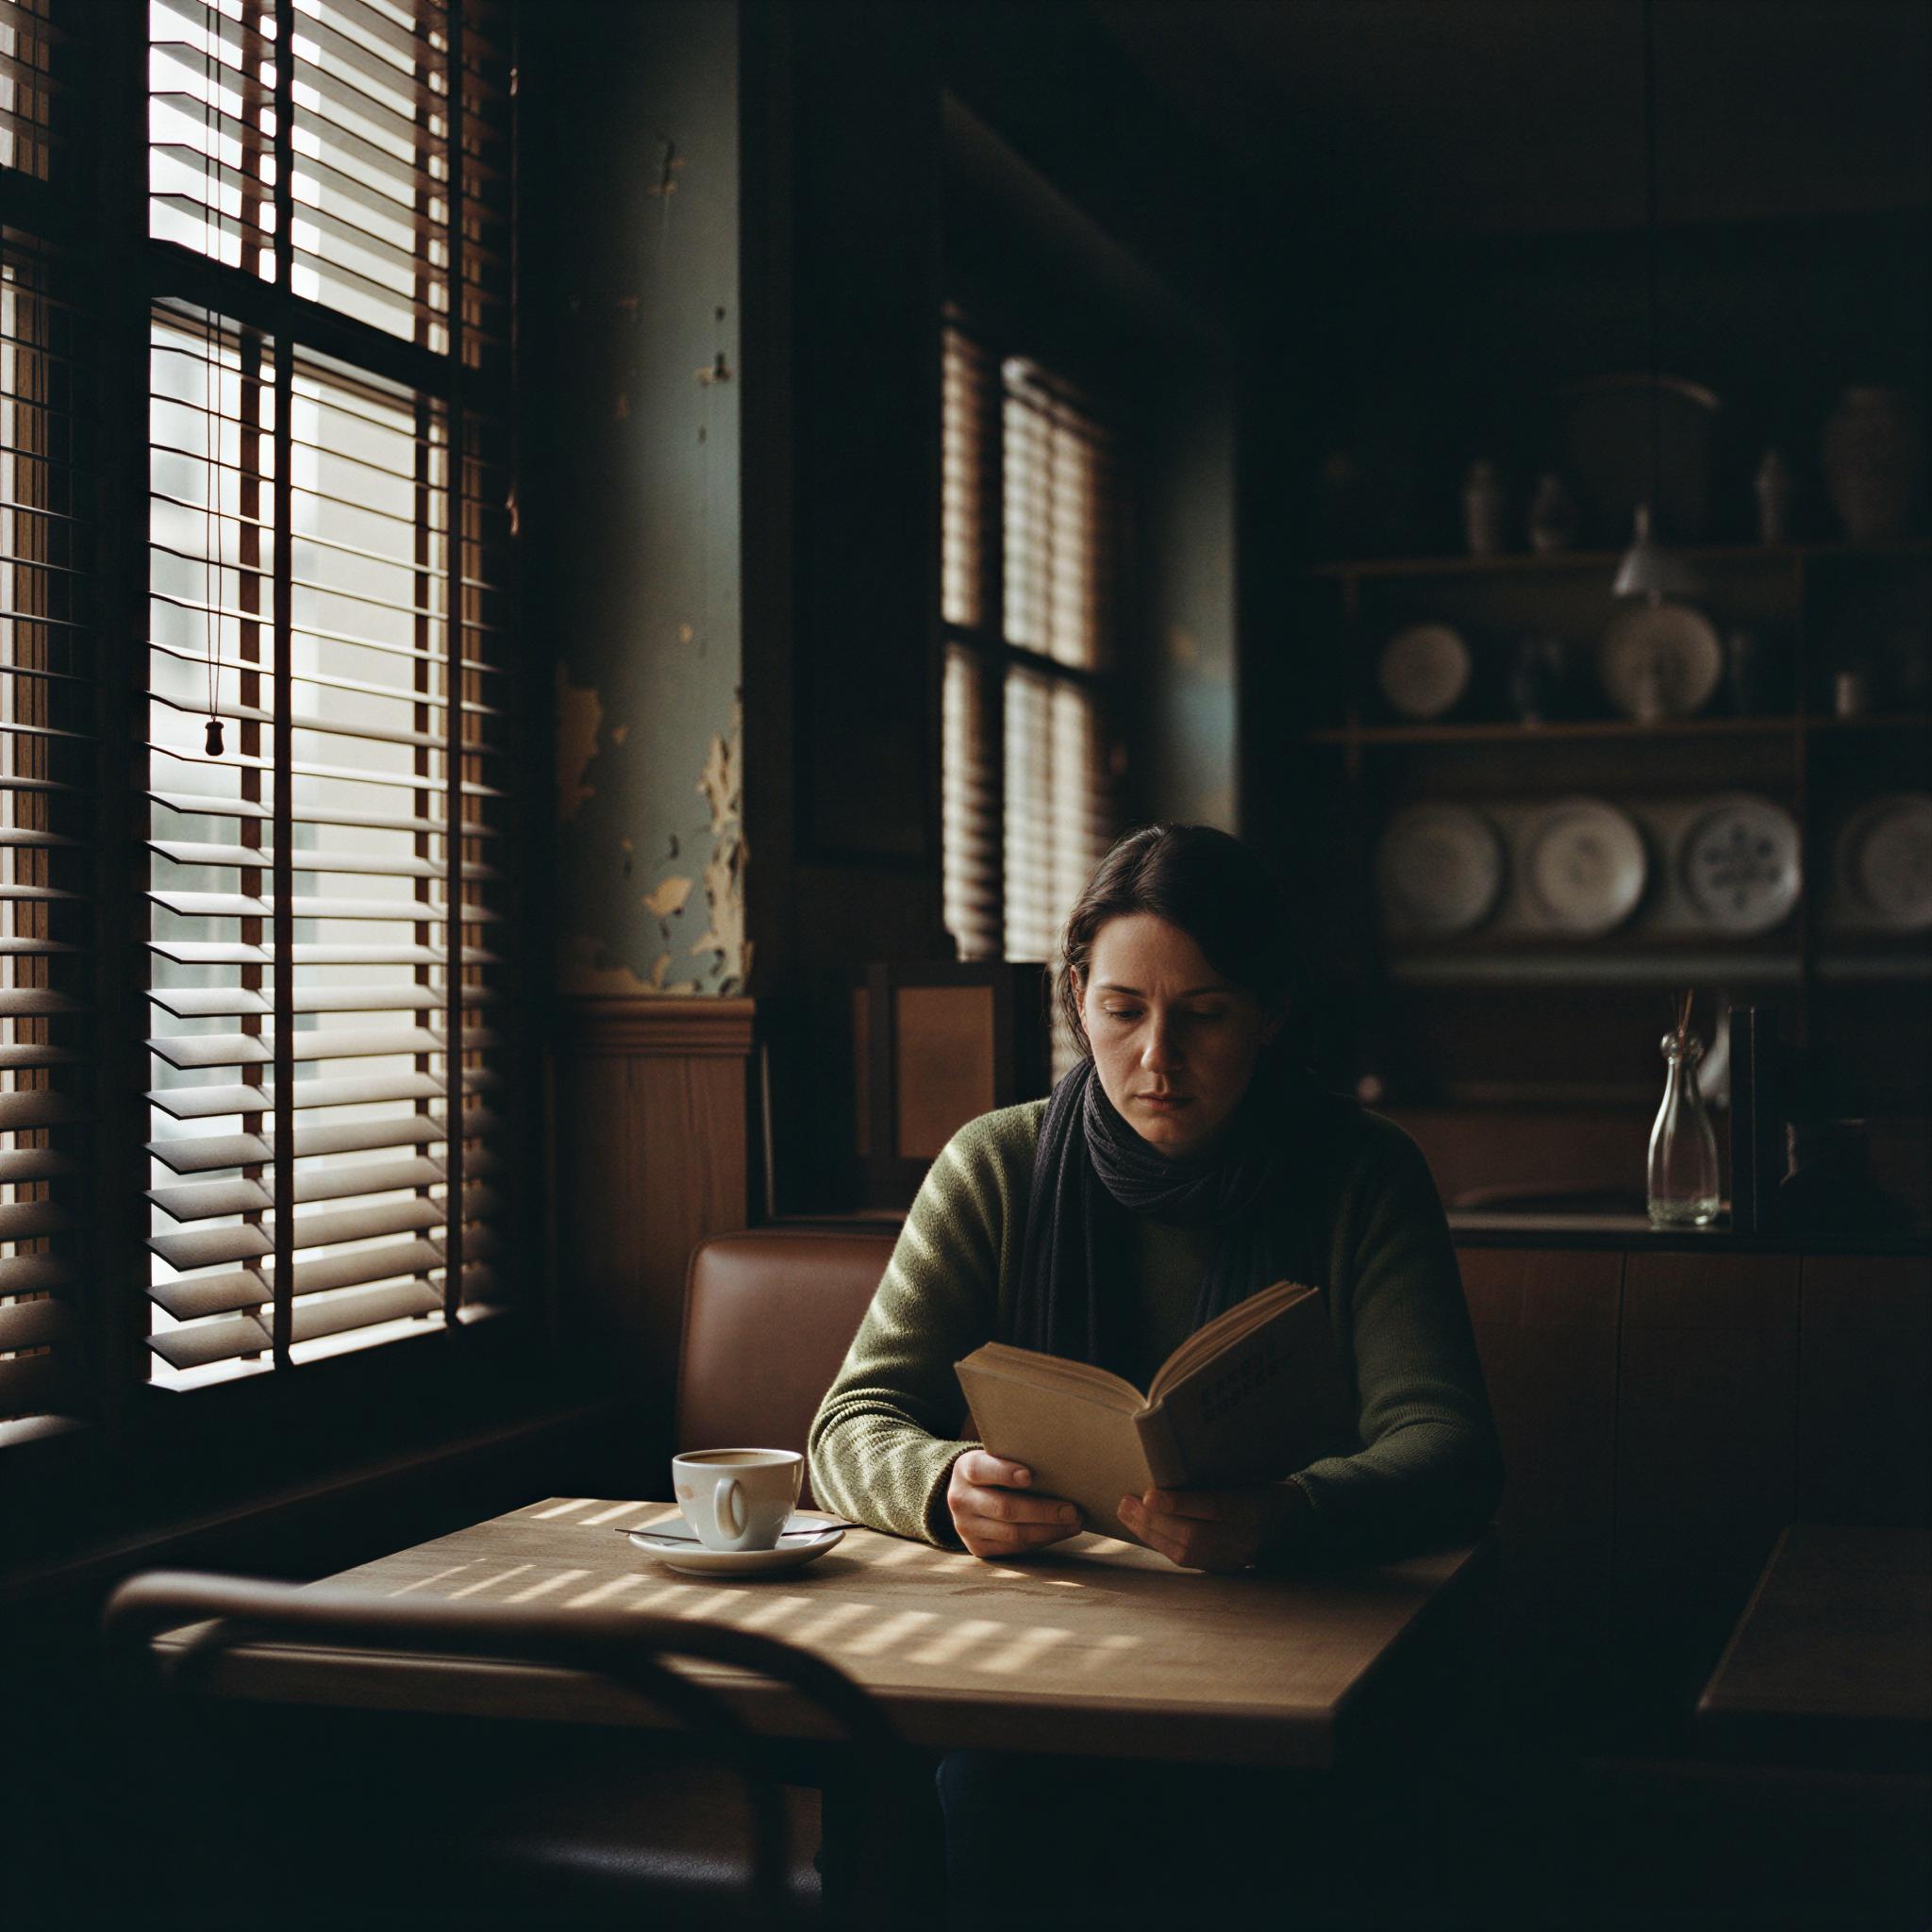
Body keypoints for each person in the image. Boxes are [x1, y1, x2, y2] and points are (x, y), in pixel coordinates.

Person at [808, 824, 1503, 1927]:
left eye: (1204, 1014)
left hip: (1288, 1654)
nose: (1155, 1059)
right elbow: (849, 1421)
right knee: (993, 1795)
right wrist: (945, 1485)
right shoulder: (998, 1161)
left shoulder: (1361, 1174)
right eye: (1123, 1009)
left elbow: (1450, 1447)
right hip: (1036, 1668)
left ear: (1270, 1011)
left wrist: (1288, 1511)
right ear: (1075, 994)